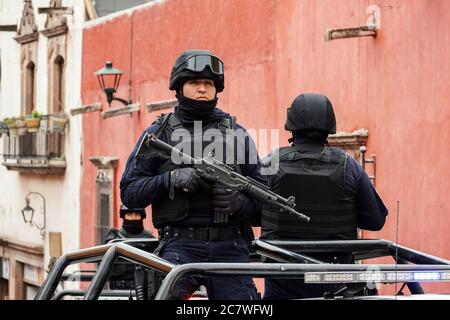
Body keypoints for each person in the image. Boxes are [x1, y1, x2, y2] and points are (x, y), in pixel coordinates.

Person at [120, 49, 265, 300]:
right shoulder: (159, 133)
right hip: (180, 246)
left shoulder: (237, 134)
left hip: (230, 247)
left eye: (208, 83)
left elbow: (266, 200)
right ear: (179, 87)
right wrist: (170, 180)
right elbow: (130, 193)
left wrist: (240, 204)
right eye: (194, 82)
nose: (202, 89)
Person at [261, 93, 388, 299]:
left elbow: (248, 212)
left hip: (282, 282)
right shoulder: (349, 166)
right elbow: (375, 220)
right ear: (330, 127)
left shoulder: (270, 163)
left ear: (291, 124)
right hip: (336, 283)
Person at [104, 205, 155, 293]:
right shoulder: (113, 238)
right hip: (118, 290)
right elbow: (104, 266)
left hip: (145, 289)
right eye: (130, 215)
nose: (133, 218)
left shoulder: (150, 240)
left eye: (137, 215)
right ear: (124, 216)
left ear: (142, 216)